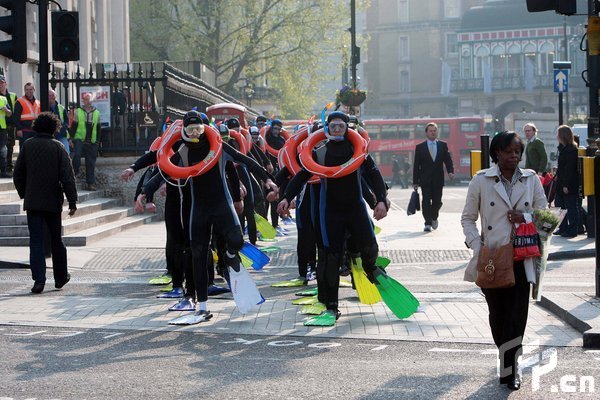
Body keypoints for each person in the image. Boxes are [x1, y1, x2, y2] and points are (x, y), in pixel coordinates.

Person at [461, 131, 547, 391]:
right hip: (492, 258)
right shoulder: (481, 180)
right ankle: (506, 357)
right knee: (497, 315)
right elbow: (467, 218)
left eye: (517, 151)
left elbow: (546, 216)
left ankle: (510, 369)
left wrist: (526, 219)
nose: (514, 156)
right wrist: (478, 245)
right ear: (496, 152)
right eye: (508, 151)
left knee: (517, 315)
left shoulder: (531, 179)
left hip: (522, 257)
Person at [12, 112, 78, 294]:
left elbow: (17, 174)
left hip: (33, 202)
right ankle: (61, 277)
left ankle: (39, 280)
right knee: (56, 240)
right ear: (54, 128)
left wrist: (25, 193)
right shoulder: (58, 147)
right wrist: (72, 200)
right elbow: (67, 177)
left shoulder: (27, 146)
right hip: (52, 202)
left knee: (36, 241)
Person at [412, 122, 454, 231]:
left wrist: (450, 171)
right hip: (425, 180)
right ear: (426, 133)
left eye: (434, 130)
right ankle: (427, 223)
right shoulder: (420, 147)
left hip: (438, 180)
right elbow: (416, 165)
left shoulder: (442, 145)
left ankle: (434, 217)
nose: (433, 132)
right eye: (430, 131)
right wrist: (415, 182)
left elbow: (448, 160)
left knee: (437, 201)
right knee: (425, 201)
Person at [70, 93, 101, 191]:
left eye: (89, 99)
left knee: (91, 162)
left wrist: (98, 141)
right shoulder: (78, 111)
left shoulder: (97, 113)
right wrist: (71, 138)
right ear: (83, 101)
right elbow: (74, 126)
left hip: (92, 140)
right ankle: (73, 176)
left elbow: (99, 128)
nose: (88, 101)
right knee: (77, 156)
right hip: (79, 139)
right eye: (86, 99)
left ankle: (90, 183)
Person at [554, 125, 580, 238]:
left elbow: (569, 169)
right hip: (561, 182)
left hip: (568, 183)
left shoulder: (571, 150)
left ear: (562, 136)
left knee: (570, 206)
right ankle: (563, 227)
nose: (556, 136)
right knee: (559, 205)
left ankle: (573, 229)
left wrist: (565, 185)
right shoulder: (564, 148)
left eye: (558, 134)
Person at [0, 75, 17, 173]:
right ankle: (3, 168)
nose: (0, 85)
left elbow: (16, 111)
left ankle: (8, 168)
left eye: (2, 82)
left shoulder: (12, 95)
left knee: (9, 147)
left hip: (10, 126)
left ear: (5, 83)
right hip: (1, 126)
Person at [48, 89, 70, 156]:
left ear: (55, 96)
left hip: (61, 134)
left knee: (66, 153)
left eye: (53, 95)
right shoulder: (43, 107)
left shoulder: (61, 107)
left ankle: (66, 166)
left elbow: (66, 121)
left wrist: (63, 128)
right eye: (49, 95)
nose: (51, 97)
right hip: (49, 135)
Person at [0, 88, 13, 178]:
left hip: (2, 128)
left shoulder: (3, 99)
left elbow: (10, 113)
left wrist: (6, 110)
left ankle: (3, 171)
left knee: (3, 150)